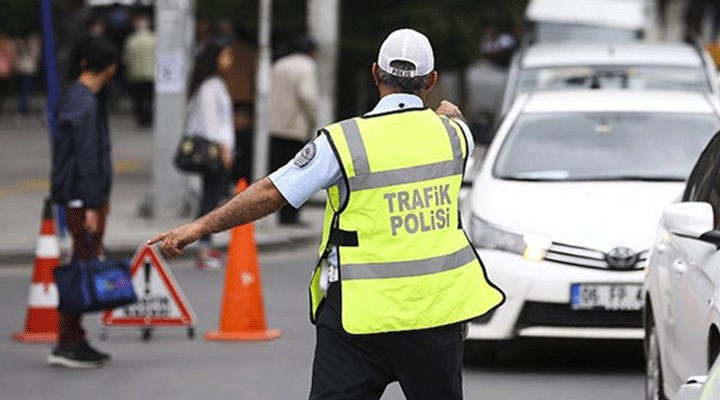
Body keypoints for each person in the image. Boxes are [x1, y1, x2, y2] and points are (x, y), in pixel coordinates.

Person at [150, 29, 505, 399]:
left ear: (375, 73)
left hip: (358, 317)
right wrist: (449, 113)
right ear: (431, 81)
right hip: (435, 315)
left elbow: (272, 192)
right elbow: (455, 118)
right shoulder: (455, 137)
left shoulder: (344, 142)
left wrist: (199, 227)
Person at [48, 38, 117, 369]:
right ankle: (68, 341)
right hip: (82, 198)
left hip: (80, 196)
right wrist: (91, 204)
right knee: (81, 265)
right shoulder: (85, 102)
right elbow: (86, 156)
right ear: (110, 69)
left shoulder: (76, 97)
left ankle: (73, 337)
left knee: (82, 261)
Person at [183, 41, 235, 270]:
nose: (230, 61)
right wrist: (224, 149)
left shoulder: (213, 84)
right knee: (210, 202)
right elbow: (211, 123)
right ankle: (203, 250)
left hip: (218, 150)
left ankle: (205, 247)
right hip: (215, 151)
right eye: (226, 55)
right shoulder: (210, 86)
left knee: (211, 199)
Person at [268, 35, 318, 225]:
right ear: (312, 52)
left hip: (276, 126)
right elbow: (307, 95)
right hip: (296, 128)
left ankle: (281, 213)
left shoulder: (279, 65)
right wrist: (313, 118)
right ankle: (291, 215)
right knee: (298, 174)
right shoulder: (307, 67)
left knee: (280, 173)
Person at [123, 14, 155, 128]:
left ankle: (141, 119)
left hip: (136, 74)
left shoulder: (131, 40)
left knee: (139, 99)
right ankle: (149, 118)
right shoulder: (154, 39)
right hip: (151, 74)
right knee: (150, 98)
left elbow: (127, 58)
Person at [15, 32, 41, 117]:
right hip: (29, 70)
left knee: (24, 90)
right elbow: (35, 57)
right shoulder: (31, 46)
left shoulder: (22, 46)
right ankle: (23, 109)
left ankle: (22, 109)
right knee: (25, 91)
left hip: (23, 69)